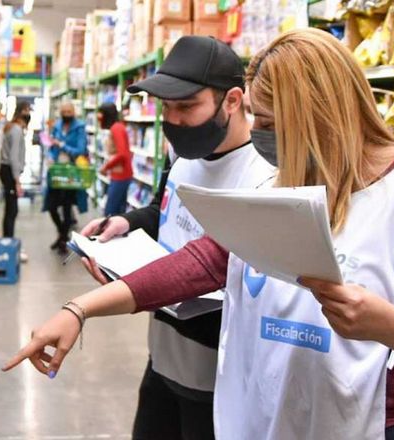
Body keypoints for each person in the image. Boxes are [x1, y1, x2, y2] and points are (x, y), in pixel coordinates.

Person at [4, 29, 394, 440]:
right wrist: (79, 309)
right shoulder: (280, 185)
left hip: (378, 421)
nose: (255, 133)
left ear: (318, 115)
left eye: (269, 123)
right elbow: (204, 262)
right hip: (283, 413)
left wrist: (384, 324)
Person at [86, 36, 275, 440]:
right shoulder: (183, 155)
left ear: (232, 100)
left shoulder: (264, 175)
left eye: (187, 107)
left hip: (215, 376)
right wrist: (128, 222)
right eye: (166, 109)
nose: (174, 121)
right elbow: (165, 207)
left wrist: (139, 291)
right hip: (162, 355)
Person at [48, 102, 87, 254]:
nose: (66, 113)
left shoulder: (79, 128)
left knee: (66, 207)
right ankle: (62, 234)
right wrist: (51, 156)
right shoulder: (57, 126)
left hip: (72, 174)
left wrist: (62, 145)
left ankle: (63, 239)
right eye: (63, 111)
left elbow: (80, 150)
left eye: (69, 111)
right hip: (57, 172)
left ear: (74, 112)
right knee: (51, 206)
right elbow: (52, 147)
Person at [0, 101, 30, 241]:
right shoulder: (17, 130)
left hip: (7, 170)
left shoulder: (12, 127)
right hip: (9, 171)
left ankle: (8, 239)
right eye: (28, 111)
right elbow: (13, 157)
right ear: (23, 112)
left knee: (11, 208)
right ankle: (8, 241)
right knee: (12, 210)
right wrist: (17, 180)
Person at [98, 103, 133, 216]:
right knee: (119, 211)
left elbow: (122, 154)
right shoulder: (118, 127)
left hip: (121, 175)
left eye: (101, 114)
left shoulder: (116, 128)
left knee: (110, 212)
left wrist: (106, 167)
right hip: (122, 174)